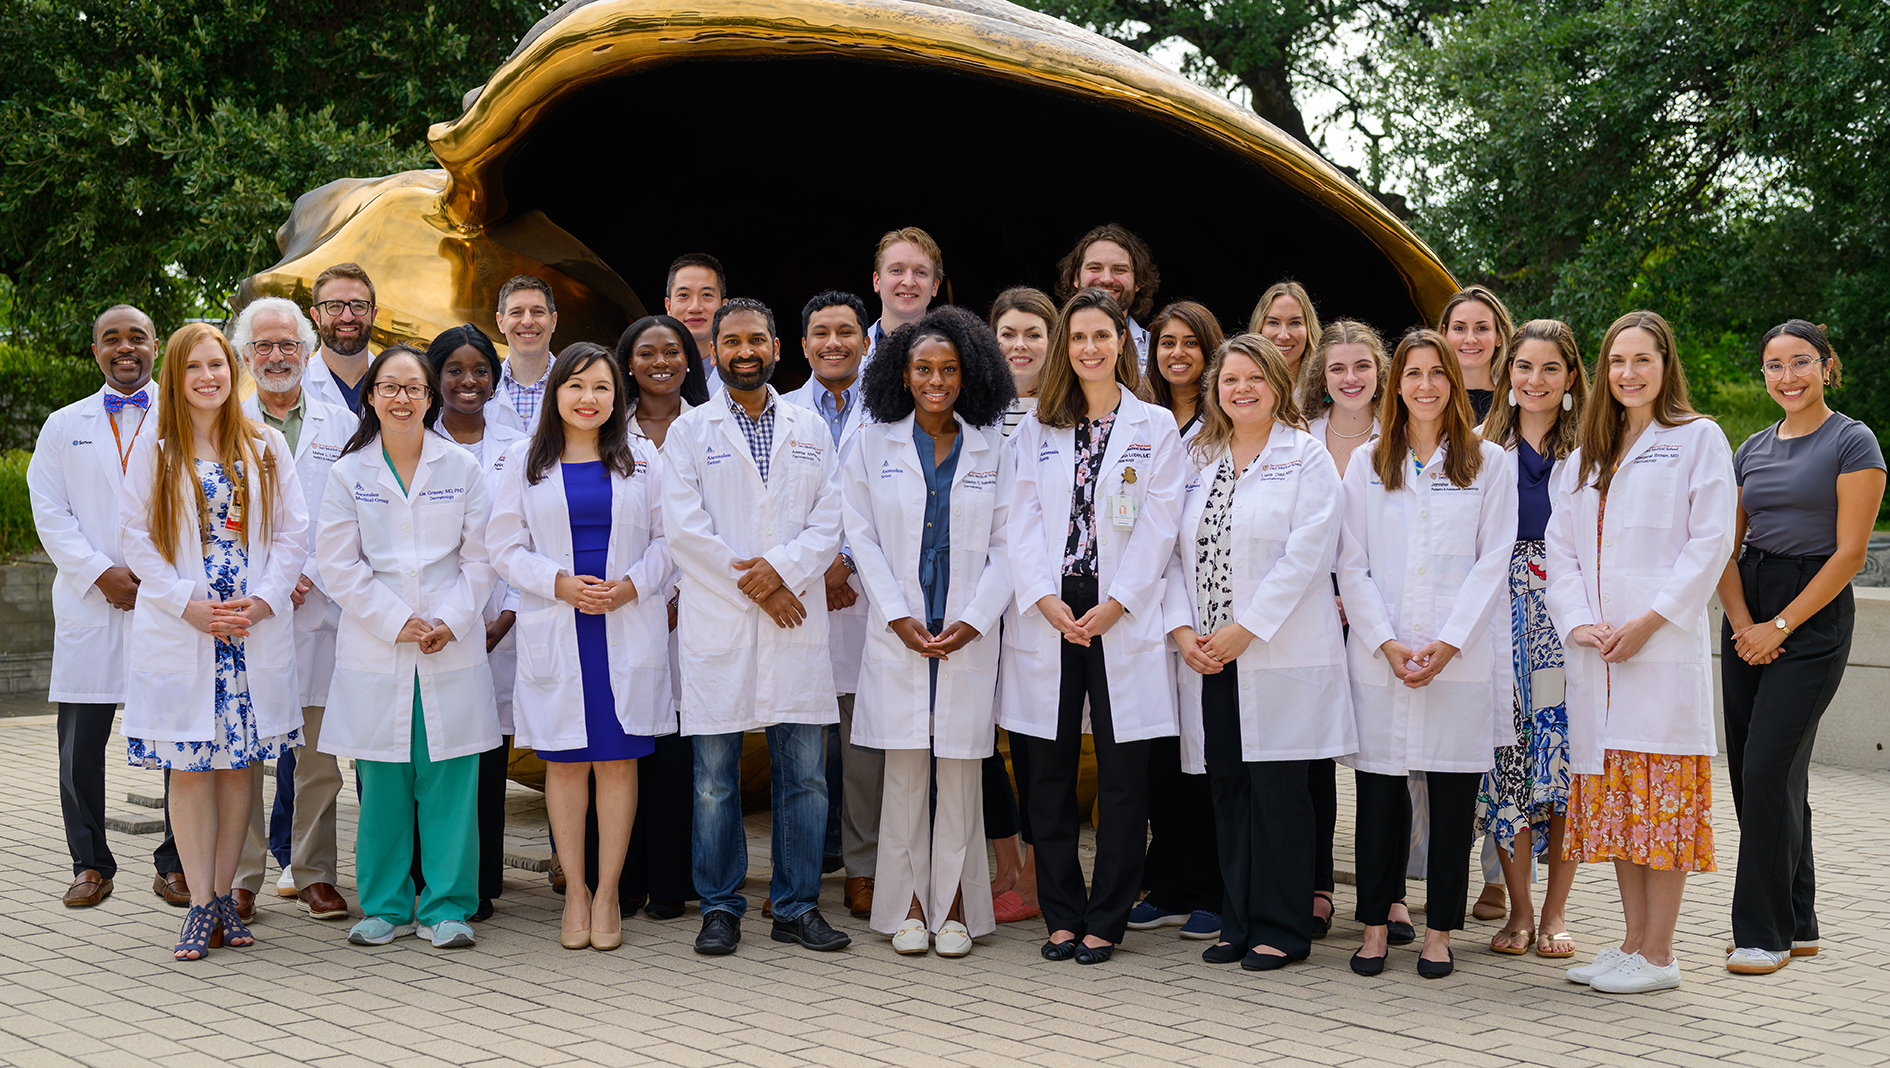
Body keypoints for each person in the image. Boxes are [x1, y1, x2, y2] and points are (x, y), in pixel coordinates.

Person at [1547, 310, 1734, 994]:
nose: (1628, 372)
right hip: (1598, 656)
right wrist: (1579, 622)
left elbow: (1709, 543)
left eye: (1642, 360)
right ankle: (1629, 944)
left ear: (1665, 366)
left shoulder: (1697, 440)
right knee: (1622, 806)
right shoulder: (1584, 457)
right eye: (1617, 361)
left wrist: (1650, 622)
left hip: (1658, 655)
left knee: (1663, 808)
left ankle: (1660, 954)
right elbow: (1560, 552)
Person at [661, 297, 851, 955]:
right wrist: (763, 588)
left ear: (776, 347)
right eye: (732, 340)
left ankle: (796, 907)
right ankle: (721, 907)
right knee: (714, 781)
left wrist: (782, 572)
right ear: (712, 352)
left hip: (793, 617)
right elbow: (684, 530)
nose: (745, 350)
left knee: (804, 776)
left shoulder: (809, 427)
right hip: (726, 620)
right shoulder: (690, 431)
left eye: (757, 339)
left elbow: (830, 519)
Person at [1001, 287, 1183, 966]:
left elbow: (1161, 523)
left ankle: (1106, 916)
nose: (1089, 348)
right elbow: (1016, 522)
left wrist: (1120, 601)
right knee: (1043, 772)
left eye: (1101, 335)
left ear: (1122, 343)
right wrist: (1044, 598)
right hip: (1049, 609)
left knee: (1122, 773)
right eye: (1077, 337)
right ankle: (1061, 914)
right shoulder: (1035, 428)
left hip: (1120, 610)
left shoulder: (1155, 426)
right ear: (1062, 348)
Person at [120, 323, 307, 959]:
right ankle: (200, 903)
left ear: (235, 373)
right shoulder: (157, 446)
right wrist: (186, 605)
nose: (208, 377)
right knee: (191, 768)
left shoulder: (265, 445)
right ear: (176, 376)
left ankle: (227, 895)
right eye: (195, 367)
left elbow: (291, 535)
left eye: (219, 366)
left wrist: (262, 601)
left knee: (238, 768)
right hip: (189, 626)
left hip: (247, 626)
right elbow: (134, 536)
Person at [1165, 333, 1351, 971]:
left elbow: (1308, 553)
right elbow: (1168, 551)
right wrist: (1183, 631)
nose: (1241, 390)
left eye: (1254, 379)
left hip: (1276, 652)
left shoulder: (1305, 457)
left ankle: (1282, 927)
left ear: (1278, 384)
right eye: (1230, 380)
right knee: (1229, 790)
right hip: (1210, 656)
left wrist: (1247, 627)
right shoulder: (1197, 454)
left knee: (1279, 793)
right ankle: (1237, 921)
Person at [1336, 328, 1516, 981]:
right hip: (1383, 656)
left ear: (1453, 383)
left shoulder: (1487, 462)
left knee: (1449, 800)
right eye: (1412, 373)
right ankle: (1377, 927)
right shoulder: (1367, 462)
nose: (1425, 385)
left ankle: (1439, 931)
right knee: (1379, 798)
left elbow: (1492, 561)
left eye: (1436, 373)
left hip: (1455, 660)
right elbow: (1350, 564)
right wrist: (1385, 642)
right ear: (1396, 384)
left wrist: (1446, 643)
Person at [843, 306, 1016, 957]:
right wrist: (896, 615)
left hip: (965, 634)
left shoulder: (993, 444)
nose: (937, 380)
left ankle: (955, 911)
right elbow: (860, 535)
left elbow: (1009, 545)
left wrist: (974, 619)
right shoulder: (872, 442)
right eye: (924, 369)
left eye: (949, 369)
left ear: (968, 374)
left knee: (962, 777)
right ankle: (909, 907)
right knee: (907, 776)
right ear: (903, 374)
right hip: (903, 634)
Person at [317, 346, 501, 950]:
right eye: (389, 387)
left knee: (450, 778)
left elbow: (481, 559)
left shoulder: (463, 469)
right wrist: (398, 621)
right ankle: (386, 907)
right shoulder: (348, 474)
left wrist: (447, 619)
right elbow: (338, 566)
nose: (401, 398)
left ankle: (448, 906)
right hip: (379, 642)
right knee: (385, 778)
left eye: (413, 388)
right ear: (371, 396)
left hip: (451, 639)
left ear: (430, 397)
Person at [490, 342, 673, 951]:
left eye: (600, 387)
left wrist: (631, 588)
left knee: (618, 761)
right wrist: (557, 583)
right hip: (558, 623)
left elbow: (671, 541)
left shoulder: (643, 458)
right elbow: (504, 548)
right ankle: (575, 891)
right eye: (575, 386)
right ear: (554, 394)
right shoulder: (524, 460)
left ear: (616, 394)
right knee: (566, 762)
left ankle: (609, 890)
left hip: (622, 621)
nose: (588, 399)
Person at [1717, 321, 1885, 975]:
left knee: (1766, 769)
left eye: (1800, 362)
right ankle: (1801, 922)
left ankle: (1763, 934)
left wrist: (1779, 626)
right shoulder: (1750, 448)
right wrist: (1742, 624)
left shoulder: (1853, 440)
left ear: (1826, 365)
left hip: (1810, 614)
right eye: (1774, 365)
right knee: (1757, 773)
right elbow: (1723, 548)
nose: (1787, 376)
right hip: (1746, 607)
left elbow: (1849, 554)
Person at [28, 304, 189, 909]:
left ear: (156, 347)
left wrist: (154, 579)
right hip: (90, 605)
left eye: (137, 338)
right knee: (79, 746)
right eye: (111, 339)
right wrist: (99, 573)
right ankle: (90, 863)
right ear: (95, 351)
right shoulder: (63, 424)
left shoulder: (184, 420)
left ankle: (176, 861)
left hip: (165, 601)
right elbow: (50, 510)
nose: (125, 348)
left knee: (180, 734)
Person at [230, 297, 357, 925]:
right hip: (251, 609)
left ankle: (313, 874)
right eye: (263, 347)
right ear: (246, 356)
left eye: (288, 346)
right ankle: (243, 875)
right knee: (246, 751)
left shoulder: (342, 422)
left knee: (318, 758)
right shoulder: (226, 422)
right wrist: (273, 583)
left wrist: (307, 573)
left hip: (323, 605)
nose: (277, 357)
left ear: (307, 353)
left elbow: (352, 516)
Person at [1472, 319, 1590, 959]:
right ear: (1506, 374)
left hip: (1563, 627)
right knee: (1508, 764)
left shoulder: (1594, 454)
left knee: (1561, 764)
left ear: (1571, 377)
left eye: (1550, 369)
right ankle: (1518, 911)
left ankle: (1556, 914)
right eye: (1524, 367)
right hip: (1496, 625)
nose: (1535, 380)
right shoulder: (1478, 449)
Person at [1129, 298, 1227, 942]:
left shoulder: (1228, 425)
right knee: (1159, 754)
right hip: (1146, 604)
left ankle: (1209, 889)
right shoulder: (1138, 422)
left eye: (1190, 343)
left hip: (1205, 610)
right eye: (1166, 342)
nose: (1177, 354)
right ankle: (1161, 883)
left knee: (1206, 756)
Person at [425, 324, 529, 921]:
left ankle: (482, 879)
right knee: (436, 751)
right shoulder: (415, 436)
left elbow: (527, 530)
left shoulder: (520, 441)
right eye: (456, 371)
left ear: (496, 376)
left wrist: (508, 613)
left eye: (481, 370)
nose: (469, 381)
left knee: (488, 754)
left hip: (502, 621)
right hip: (435, 617)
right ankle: (429, 873)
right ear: (436, 378)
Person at [783, 291, 879, 918]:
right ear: (804, 344)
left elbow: (888, 503)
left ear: (866, 343)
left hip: (870, 596)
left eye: (847, 331)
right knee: (802, 749)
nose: (834, 342)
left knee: (864, 747)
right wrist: (820, 568)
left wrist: (848, 565)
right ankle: (800, 876)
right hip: (803, 598)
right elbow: (777, 507)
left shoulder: (893, 411)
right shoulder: (783, 413)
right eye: (821, 333)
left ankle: (865, 870)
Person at [616, 315, 711, 919]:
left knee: (683, 755)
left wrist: (681, 594)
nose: (660, 362)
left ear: (688, 361)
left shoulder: (708, 428)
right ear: (628, 363)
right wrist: (648, 592)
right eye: (646, 352)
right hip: (626, 608)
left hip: (699, 610)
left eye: (672, 352)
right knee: (628, 746)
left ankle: (674, 882)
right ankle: (624, 881)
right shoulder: (606, 430)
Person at [1300, 319, 1387, 938]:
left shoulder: (1402, 436)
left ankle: (1390, 896)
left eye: (1361, 366)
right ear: (1321, 377)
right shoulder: (1299, 440)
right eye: (1337, 368)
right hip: (1311, 615)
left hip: (1385, 614)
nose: (1350, 378)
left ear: (1379, 372)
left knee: (1385, 760)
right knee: (1314, 757)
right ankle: (1317, 883)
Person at [984, 285, 1056, 924]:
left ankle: (1035, 875)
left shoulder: (1063, 412)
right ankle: (1005, 860)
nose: (1020, 345)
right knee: (979, 738)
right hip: (977, 594)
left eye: (1033, 333)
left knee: (1034, 742)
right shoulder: (975, 407)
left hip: (1036, 597)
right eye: (1008, 333)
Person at [1055, 225, 1159, 359]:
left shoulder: (1156, 351)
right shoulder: (1046, 345)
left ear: (1138, 281)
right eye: (1095, 268)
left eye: (1119, 270)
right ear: (1076, 277)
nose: (1106, 279)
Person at [302, 263, 379, 413]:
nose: (347, 317)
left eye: (358, 305)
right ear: (316, 317)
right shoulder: (297, 385)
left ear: (373, 315)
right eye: (334, 306)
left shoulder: (393, 381)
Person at [1437, 285, 1515, 423]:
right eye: (1460, 328)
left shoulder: (1516, 402)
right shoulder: (1426, 398)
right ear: (1445, 334)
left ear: (1499, 336)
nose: (1470, 339)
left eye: (1482, 328)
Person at [491, 275, 559, 431]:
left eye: (537, 312)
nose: (527, 321)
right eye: (516, 312)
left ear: (553, 321)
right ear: (500, 322)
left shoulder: (574, 385)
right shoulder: (484, 389)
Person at [867, 227, 944, 357]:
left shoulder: (957, 354)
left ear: (935, 286)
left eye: (920, 272)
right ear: (876, 281)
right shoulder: (851, 352)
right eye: (896, 270)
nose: (909, 282)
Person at [663, 254, 727, 395]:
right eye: (684, 295)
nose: (695, 307)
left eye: (707, 295)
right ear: (669, 306)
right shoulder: (650, 373)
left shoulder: (743, 372)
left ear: (724, 307)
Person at [1246, 281, 1320, 381]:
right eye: (1273, 322)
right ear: (1259, 329)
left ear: (1309, 330)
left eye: (1295, 323)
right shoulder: (1243, 386)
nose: (1283, 336)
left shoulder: (1326, 386)